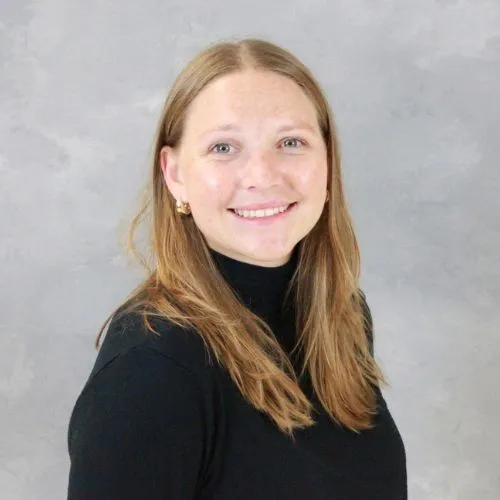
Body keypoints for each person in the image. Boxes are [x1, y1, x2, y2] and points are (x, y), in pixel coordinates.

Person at [66, 38, 407, 499]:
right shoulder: (153, 368)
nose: (263, 175)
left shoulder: (339, 314)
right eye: (224, 147)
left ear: (327, 162)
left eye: (291, 142)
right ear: (175, 174)